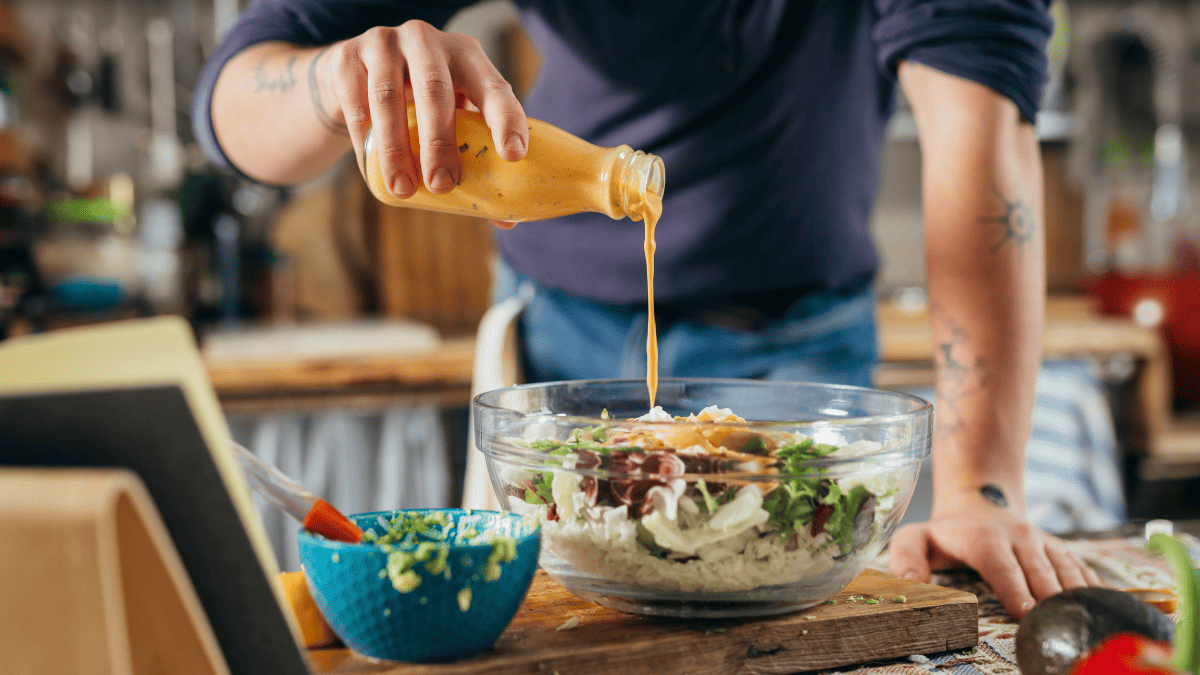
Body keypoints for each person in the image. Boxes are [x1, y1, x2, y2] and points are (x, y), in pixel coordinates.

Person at [194, 0, 1103, 618]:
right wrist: (333, 81)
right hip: (549, 352)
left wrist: (982, 487)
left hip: (804, 352)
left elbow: (980, 132)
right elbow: (237, 98)